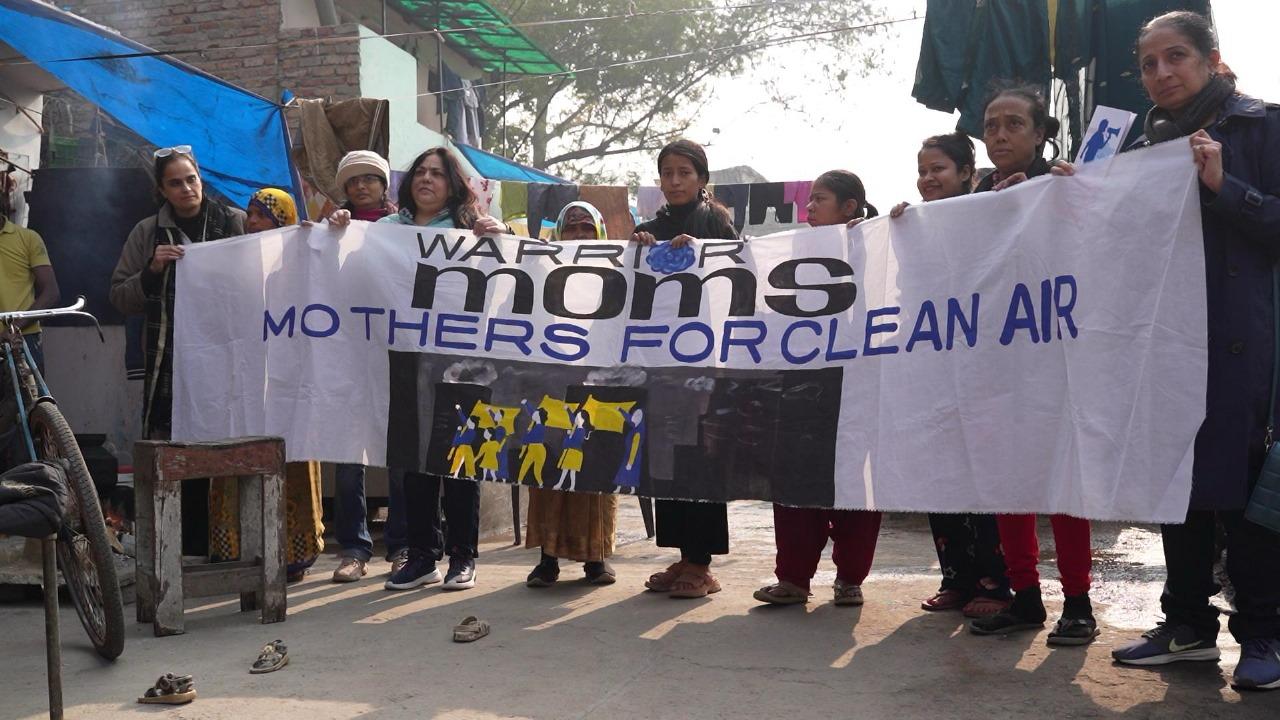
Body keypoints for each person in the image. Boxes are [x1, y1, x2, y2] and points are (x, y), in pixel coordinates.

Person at [1109, 11, 1280, 690]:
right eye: (1149, 64)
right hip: (1166, 344)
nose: (1161, 74)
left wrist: (1223, 186)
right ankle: (1186, 628)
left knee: (1245, 494)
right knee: (1175, 485)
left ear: (1212, 60)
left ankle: (1264, 633)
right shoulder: (1137, 146)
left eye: (1175, 57)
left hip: (1246, 346)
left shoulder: (1263, 127)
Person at [958, 85, 1098, 646]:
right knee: (1007, 485)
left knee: (1063, 484)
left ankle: (1078, 603)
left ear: (1041, 134)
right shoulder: (972, 201)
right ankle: (1025, 598)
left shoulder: (1065, 185)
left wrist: (1062, 197)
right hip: (993, 364)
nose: (999, 135)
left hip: (1056, 362)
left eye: (1015, 124)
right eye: (991, 125)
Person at [881, 134, 1016, 618]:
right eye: (922, 171)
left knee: (981, 476)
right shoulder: (916, 225)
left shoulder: (989, 213)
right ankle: (955, 578)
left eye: (938, 169)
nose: (928, 179)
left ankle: (994, 582)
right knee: (940, 474)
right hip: (933, 369)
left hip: (984, 370)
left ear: (966, 172)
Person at [753, 170, 882, 608]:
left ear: (849, 207)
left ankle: (850, 578)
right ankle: (793, 578)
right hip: (801, 385)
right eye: (808, 202)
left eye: (819, 200)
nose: (808, 209)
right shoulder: (793, 250)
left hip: (858, 384)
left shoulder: (879, 246)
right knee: (795, 482)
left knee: (855, 485)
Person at [379, 147, 504, 592]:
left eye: (437, 173)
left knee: (459, 459)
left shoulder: (472, 230)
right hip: (407, 361)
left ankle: (463, 557)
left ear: (452, 185)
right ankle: (421, 556)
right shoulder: (385, 231)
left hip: (461, 362)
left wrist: (500, 236)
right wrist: (336, 232)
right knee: (414, 462)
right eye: (420, 172)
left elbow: (511, 274)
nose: (426, 179)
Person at [110, 146, 245, 556]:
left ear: (201, 178)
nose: (187, 188)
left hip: (225, 360)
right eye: (175, 183)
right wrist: (152, 271)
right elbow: (119, 297)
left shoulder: (233, 222)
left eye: (192, 179)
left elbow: (267, 273)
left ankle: (226, 545)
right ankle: (182, 550)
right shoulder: (147, 233)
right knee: (175, 453)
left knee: (225, 452)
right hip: (169, 364)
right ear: (161, 190)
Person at [631, 139, 737, 599]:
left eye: (684, 173)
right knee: (667, 456)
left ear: (701, 179)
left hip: (706, 363)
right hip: (660, 365)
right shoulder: (649, 229)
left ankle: (703, 562)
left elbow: (738, 275)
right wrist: (632, 251)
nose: (674, 181)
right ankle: (683, 554)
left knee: (700, 457)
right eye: (667, 173)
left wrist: (703, 252)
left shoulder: (716, 222)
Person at [207, 188, 325, 583]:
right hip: (244, 383)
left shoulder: (303, 266)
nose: (254, 222)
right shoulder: (234, 264)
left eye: (264, 215)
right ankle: (238, 550)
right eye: (252, 214)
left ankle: (294, 554)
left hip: (289, 384)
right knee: (238, 455)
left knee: (290, 459)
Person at [524, 202, 621, 588]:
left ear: (599, 233)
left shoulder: (618, 277)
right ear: (559, 233)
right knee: (548, 468)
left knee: (595, 471)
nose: (579, 236)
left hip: (600, 386)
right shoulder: (540, 275)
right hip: (552, 384)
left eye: (586, 228)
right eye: (571, 228)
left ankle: (596, 559)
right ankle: (547, 559)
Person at [326, 150, 409, 584]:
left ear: (384, 184)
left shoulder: (405, 228)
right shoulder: (334, 228)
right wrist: (328, 236)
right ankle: (354, 549)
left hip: (396, 350)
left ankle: (401, 546)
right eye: (353, 180)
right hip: (350, 351)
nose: (361, 186)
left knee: (400, 452)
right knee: (348, 452)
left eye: (369, 179)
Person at [0, 209, 59, 374]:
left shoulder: (28, 238)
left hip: (23, 339)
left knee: (30, 400)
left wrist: (13, 328)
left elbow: (51, 292)